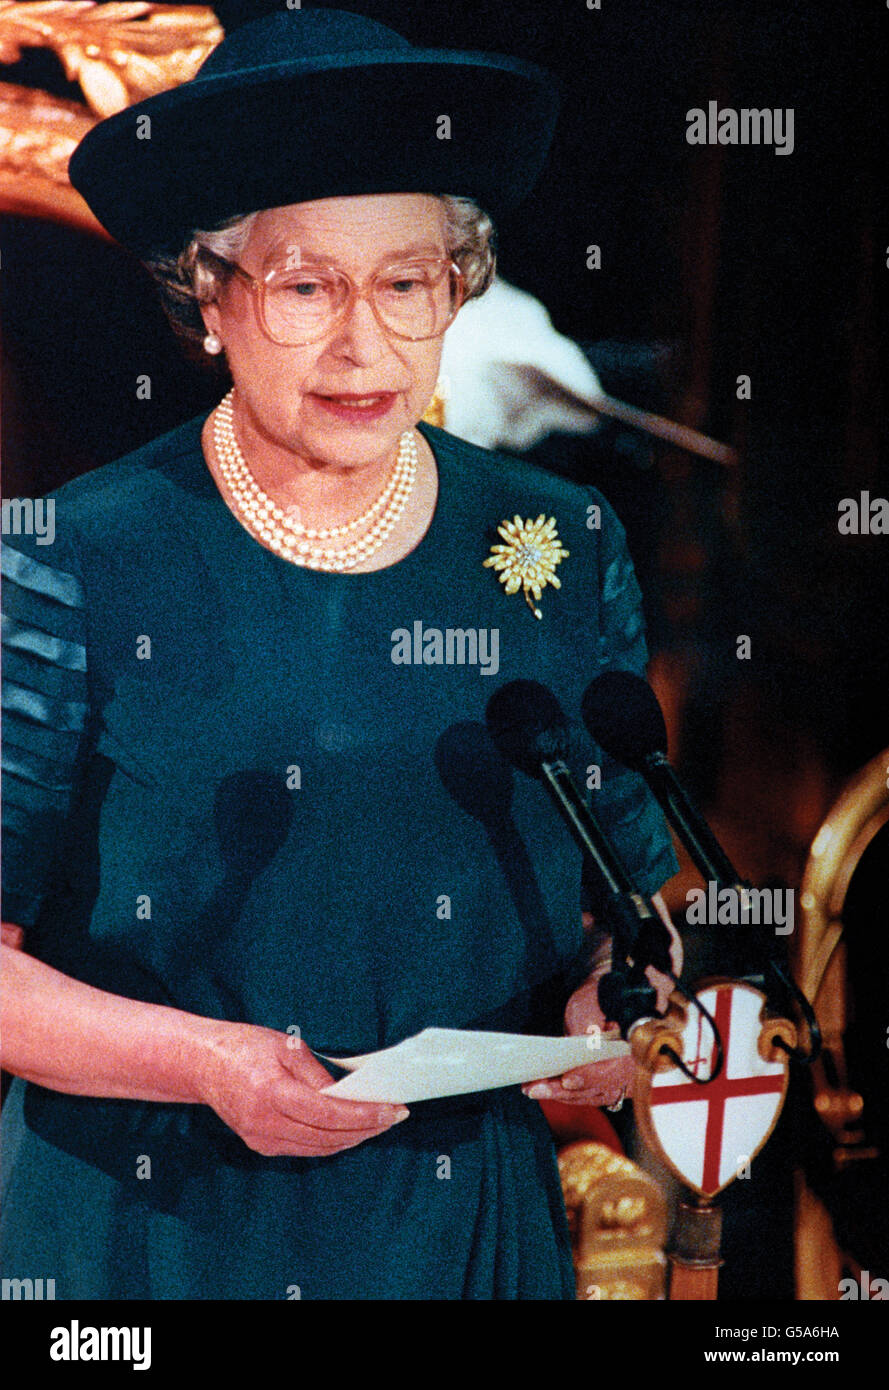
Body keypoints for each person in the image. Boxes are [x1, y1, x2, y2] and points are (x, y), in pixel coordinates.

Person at [0, 8, 679, 1299]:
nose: (363, 343)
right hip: (146, 1232)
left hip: (459, 1235)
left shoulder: (557, 543)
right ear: (211, 294)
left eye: (407, 281)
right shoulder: (72, 559)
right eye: (307, 284)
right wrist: (204, 1062)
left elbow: (633, 919)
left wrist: (610, 1022)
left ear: (455, 286)